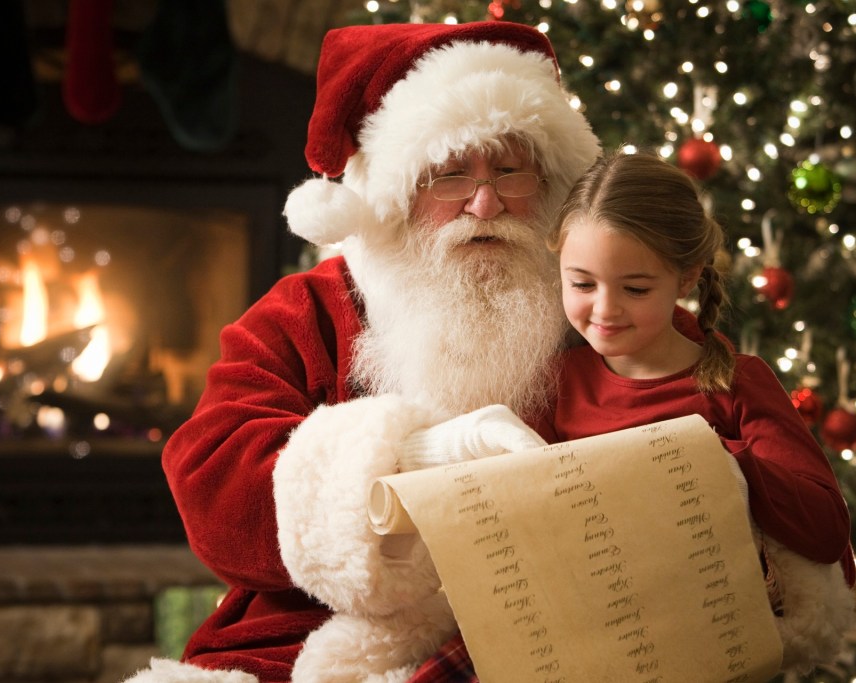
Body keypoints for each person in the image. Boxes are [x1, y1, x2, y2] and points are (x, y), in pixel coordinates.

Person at [124, 20, 604, 683]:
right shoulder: (308, 312)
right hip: (313, 635)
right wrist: (415, 460)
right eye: (450, 173)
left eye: (511, 168)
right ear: (394, 194)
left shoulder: (594, 312)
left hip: (547, 630)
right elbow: (212, 480)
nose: (486, 202)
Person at [550, 150, 856, 672]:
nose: (603, 309)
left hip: (716, 652)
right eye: (582, 284)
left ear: (686, 280)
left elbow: (825, 530)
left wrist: (710, 459)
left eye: (636, 288)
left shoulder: (738, 383)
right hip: (597, 649)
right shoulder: (559, 381)